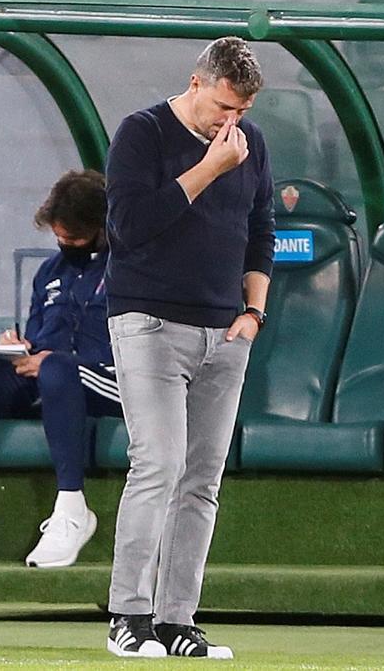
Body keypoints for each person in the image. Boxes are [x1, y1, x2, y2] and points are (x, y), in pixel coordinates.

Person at [103, 37, 274, 659]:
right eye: (222, 108)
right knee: (158, 465)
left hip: (225, 331)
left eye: (242, 113)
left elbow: (261, 231)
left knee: (201, 481)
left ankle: (177, 621)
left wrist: (254, 311)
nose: (230, 124)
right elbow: (129, 227)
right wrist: (208, 168)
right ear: (196, 83)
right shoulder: (142, 132)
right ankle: (128, 615)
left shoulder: (249, 146)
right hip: (149, 322)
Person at [0, 169, 121, 568]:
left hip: (104, 381)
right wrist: (18, 347)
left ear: (101, 228)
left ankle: (72, 509)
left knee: (57, 370)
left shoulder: (128, 269)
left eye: (74, 239)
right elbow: (38, 338)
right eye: (59, 238)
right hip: (44, 380)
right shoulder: (50, 272)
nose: (65, 245)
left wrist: (56, 361)